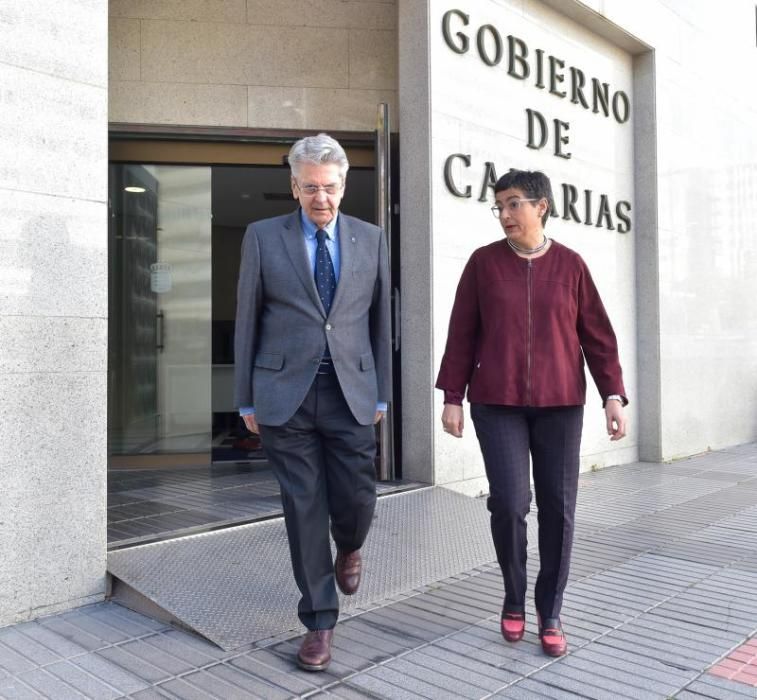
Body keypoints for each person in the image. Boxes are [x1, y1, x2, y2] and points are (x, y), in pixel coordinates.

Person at [436, 169, 627, 657]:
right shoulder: (483, 264)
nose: (504, 214)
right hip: (496, 402)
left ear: (542, 206)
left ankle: (551, 607)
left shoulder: (571, 266)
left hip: (560, 403)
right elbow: (462, 333)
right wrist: (452, 396)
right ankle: (513, 597)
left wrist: (612, 395)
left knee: (559, 508)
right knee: (509, 503)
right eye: (499, 205)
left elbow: (598, 336)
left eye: (514, 203)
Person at [234, 133, 391, 671]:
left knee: (357, 498)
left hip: (351, 391)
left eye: (329, 187)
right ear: (293, 186)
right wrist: (245, 399)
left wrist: (384, 395)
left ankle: (350, 545)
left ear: (344, 186)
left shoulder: (371, 239)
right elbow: (248, 320)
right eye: (309, 187)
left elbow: (380, 323)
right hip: (285, 395)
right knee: (303, 508)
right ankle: (319, 622)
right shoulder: (262, 236)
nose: (320, 197)